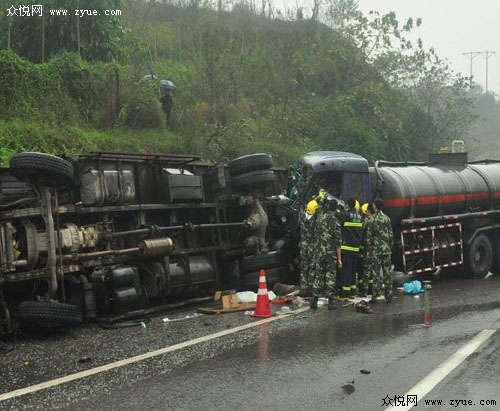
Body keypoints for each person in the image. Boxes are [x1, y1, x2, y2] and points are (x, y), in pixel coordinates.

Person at [310, 198, 342, 310]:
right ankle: (331, 302)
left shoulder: (319, 220)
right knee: (330, 277)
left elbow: (315, 237)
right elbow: (338, 243)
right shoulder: (336, 223)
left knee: (318, 276)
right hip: (330, 254)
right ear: (336, 208)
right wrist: (339, 259)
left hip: (319, 253)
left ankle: (314, 300)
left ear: (328, 207)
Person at [365, 198, 393, 303]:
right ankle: (389, 295)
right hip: (386, 250)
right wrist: (389, 246)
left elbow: (369, 237)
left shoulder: (372, 220)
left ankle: (375, 296)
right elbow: (391, 235)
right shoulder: (387, 218)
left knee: (376, 274)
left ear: (374, 207)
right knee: (387, 273)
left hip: (376, 251)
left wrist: (369, 250)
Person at [337, 197, 363, 299]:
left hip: (346, 248)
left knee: (346, 272)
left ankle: (345, 294)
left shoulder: (345, 215)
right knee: (352, 271)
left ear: (347, 205)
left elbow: (336, 216)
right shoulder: (359, 216)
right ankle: (352, 291)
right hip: (356, 248)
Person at [299, 199, 319, 296]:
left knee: (304, 267)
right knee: (312, 267)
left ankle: (303, 289)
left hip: (303, 246)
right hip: (312, 247)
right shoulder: (315, 221)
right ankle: (310, 289)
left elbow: (304, 209)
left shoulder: (303, 217)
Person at [358, 202, 374, 297]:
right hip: (374, 248)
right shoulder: (375, 220)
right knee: (371, 270)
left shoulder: (365, 222)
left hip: (366, 248)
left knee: (365, 270)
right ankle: (371, 289)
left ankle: (364, 290)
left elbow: (361, 234)